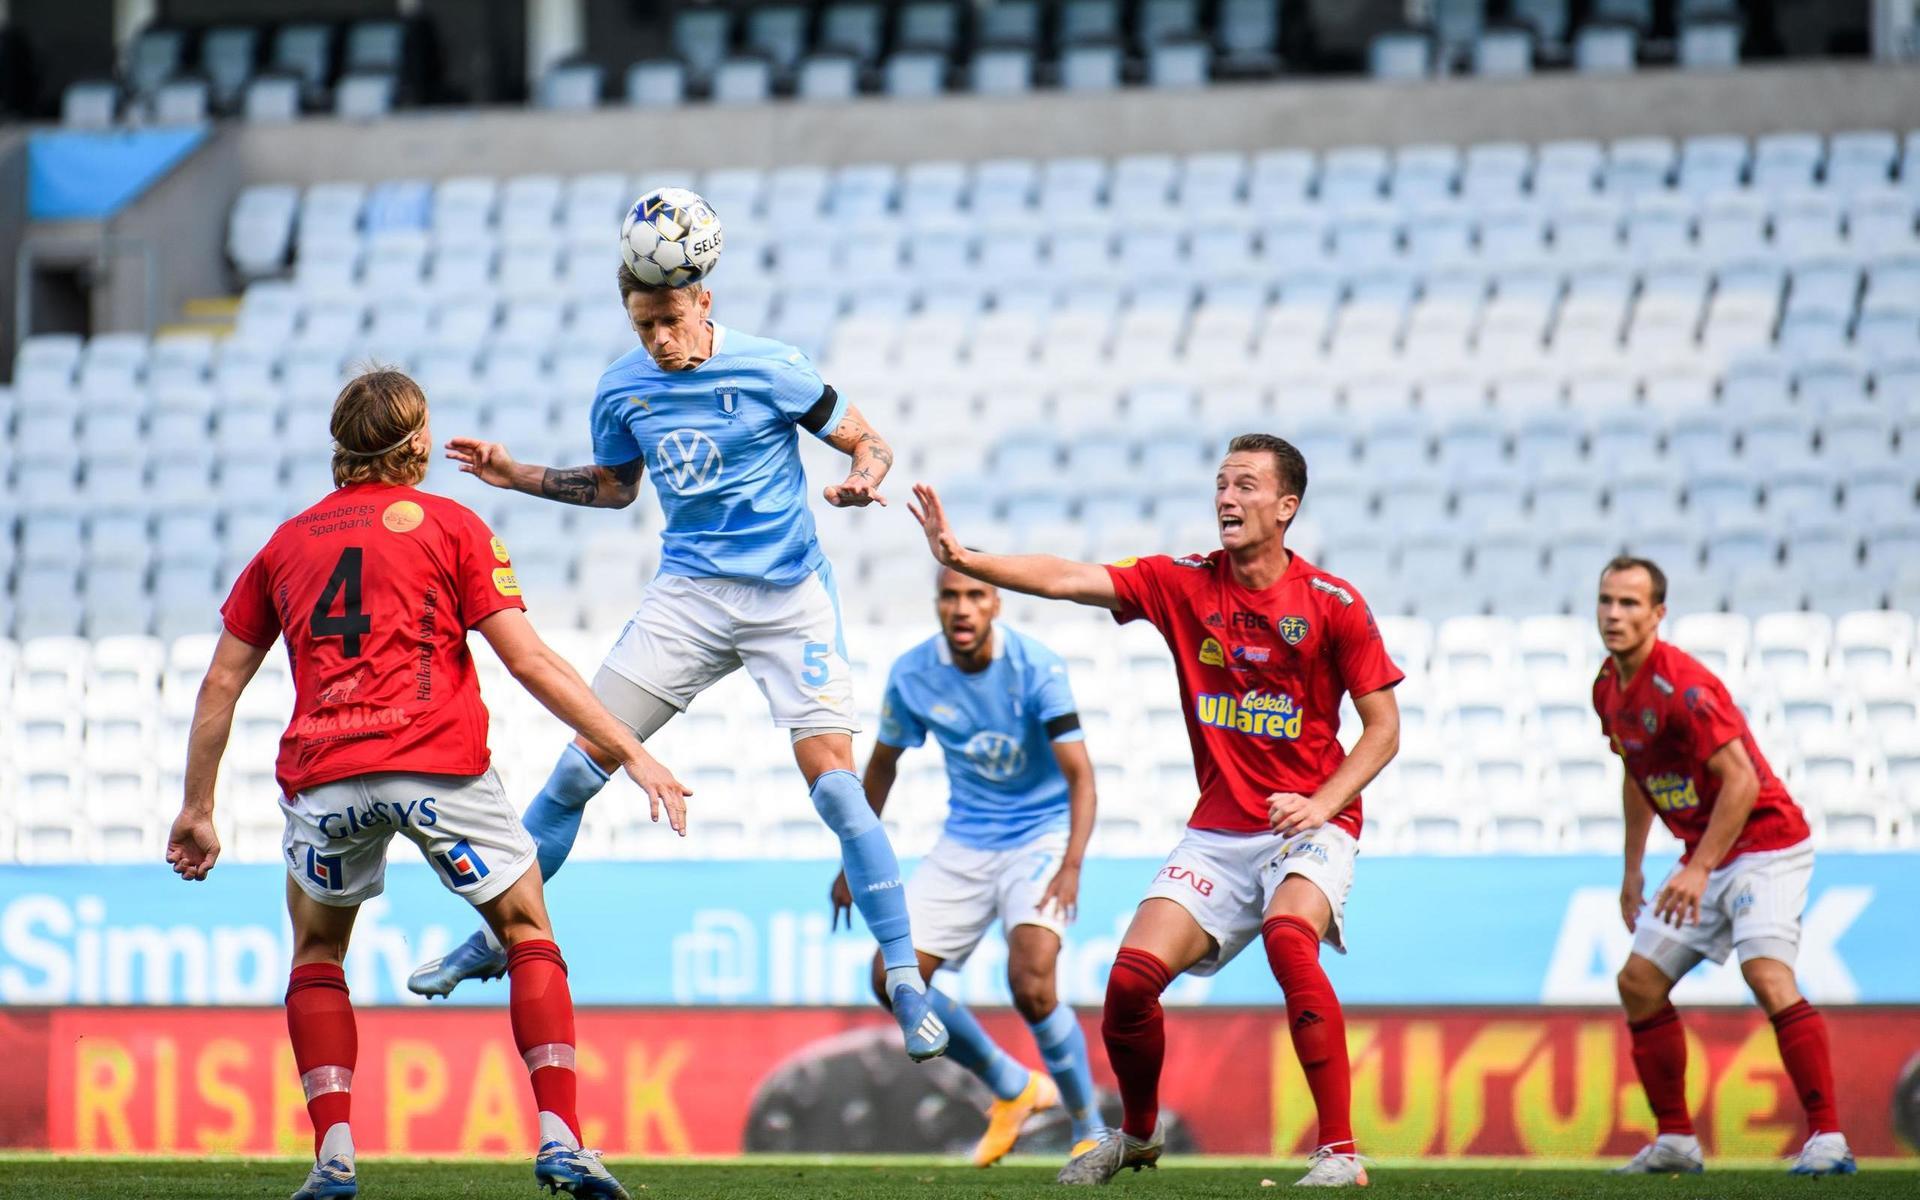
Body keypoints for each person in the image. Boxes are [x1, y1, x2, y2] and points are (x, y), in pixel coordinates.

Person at [164, 369, 688, 1200]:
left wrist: (198, 808)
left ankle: (333, 1155)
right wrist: (631, 749)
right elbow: (528, 660)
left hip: (327, 775)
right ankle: (560, 1138)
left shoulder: (284, 542)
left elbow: (221, 684)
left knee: (317, 951)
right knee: (525, 932)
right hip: (437, 763)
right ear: (415, 444)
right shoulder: (451, 524)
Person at [406, 265, 948, 1062]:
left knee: (837, 787)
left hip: (788, 596)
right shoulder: (622, 388)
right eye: (642, 326)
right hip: (689, 596)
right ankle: (494, 934)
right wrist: (513, 473)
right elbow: (618, 487)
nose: (658, 339)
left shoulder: (772, 366)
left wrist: (862, 479)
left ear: (703, 303)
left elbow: (869, 441)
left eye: (669, 319)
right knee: (574, 772)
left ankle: (905, 979)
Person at [906, 434, 1402, 1188]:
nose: (1226, 498)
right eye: (1221, 483)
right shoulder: (1184, 583)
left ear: (1287, 507)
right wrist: (964, 556)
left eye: (1245, 486)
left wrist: (1321, 802)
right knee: (1130, 983)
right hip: (1219, 830)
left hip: (1312, 823)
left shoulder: (1333, 605)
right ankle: (1137, 1137)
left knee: (1287, 939)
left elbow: (1385, 728)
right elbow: (1071, 577)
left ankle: (1339, 1152)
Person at [830, 565, 1105, 1166]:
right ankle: (1014, 1088)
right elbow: (881, 766)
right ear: (937, 604)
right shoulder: (913, 674)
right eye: (950, 596)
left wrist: (1071, 864)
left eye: (975, 595)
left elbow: (1081, 776)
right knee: (890, 978)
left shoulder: (1037, 668)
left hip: (1040, 836)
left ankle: (1090, 1128)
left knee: (1032, 984)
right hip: (966, 839)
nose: (962, 608)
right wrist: (852, 859)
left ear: (996, 604)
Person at [1593, 556, 1854, 1177]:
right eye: (1606, 601)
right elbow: (1637, 771)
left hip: (1765, 844)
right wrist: (1633, 871)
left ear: (1659, 614)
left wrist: (1700, 869)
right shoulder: (1607, 686)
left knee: (1765, 975)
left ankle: (1828, 1138)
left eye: (1630, 604)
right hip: (1705, 854)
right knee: (1638, 983)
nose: (1613, 614)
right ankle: (1677, 1143)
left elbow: (1740, 780)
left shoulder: (1685, 687)